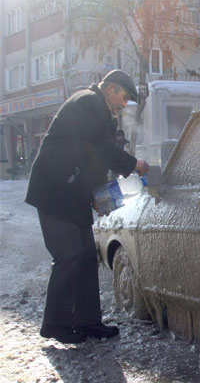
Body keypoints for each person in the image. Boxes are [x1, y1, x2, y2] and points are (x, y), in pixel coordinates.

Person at [25, 69, 150, 344]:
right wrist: (133, 165)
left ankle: (87, 322)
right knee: (69, 255)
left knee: (85, 256)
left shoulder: (98, 109)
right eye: (124, 97)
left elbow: (89, 157)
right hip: (55, 192)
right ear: (110, 89)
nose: (125, 104)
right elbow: (98, 151)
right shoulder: (89, 103)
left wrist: (97, 196)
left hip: (72, 192)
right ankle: (55, 325)